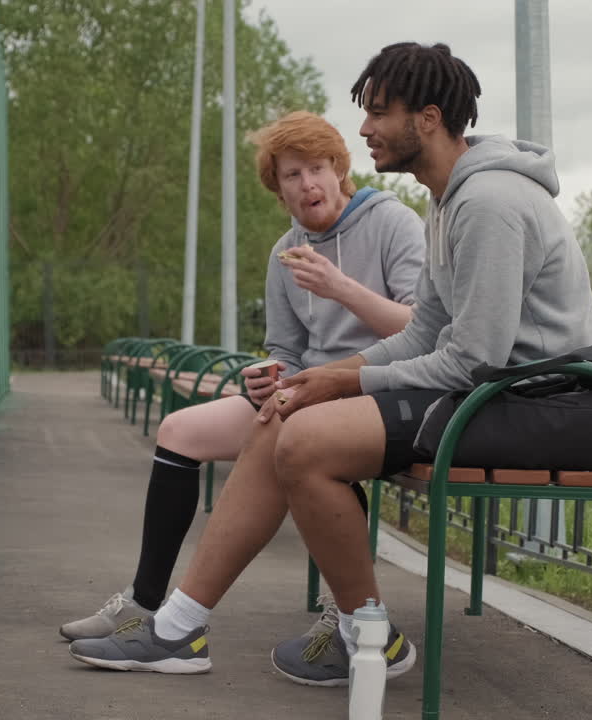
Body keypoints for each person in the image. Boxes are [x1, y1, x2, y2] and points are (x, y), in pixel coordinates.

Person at [67, 42, 592, 685]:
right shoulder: (446, 200)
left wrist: (344, 378)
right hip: (487, 395)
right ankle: (181, 627)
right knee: (289, 409)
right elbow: (428, 332)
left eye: (379, 112)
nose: (365, 128)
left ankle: (358, 631)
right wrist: (315, 379)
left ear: (427, 119)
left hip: (532, 402)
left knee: (305, 439)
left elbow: (474, 358)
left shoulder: (487, 202)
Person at [59, 110, 425, 643]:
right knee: (178, 431)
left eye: (318, 168)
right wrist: (268, 376)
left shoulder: (394, 223)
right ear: (278, 190)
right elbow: (286, 350)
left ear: (340, 169)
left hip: (377, 393)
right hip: (304, 395)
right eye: (292, 176)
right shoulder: (285, 251)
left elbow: (421, 328)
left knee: (295, 436)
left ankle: (341, 610)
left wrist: (340, 287)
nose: (308, 184)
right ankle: (143, 603)